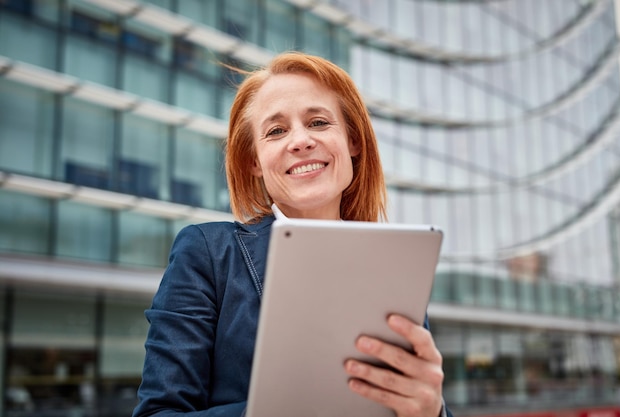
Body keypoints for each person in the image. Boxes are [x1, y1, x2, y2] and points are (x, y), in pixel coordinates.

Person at [132, 51, 452, 417]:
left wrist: (431, 411)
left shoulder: (394, 266)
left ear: (353, 142)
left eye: (318, 122)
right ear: (254, 160)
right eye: (276, 131)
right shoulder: (207, 253)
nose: (300, 141)